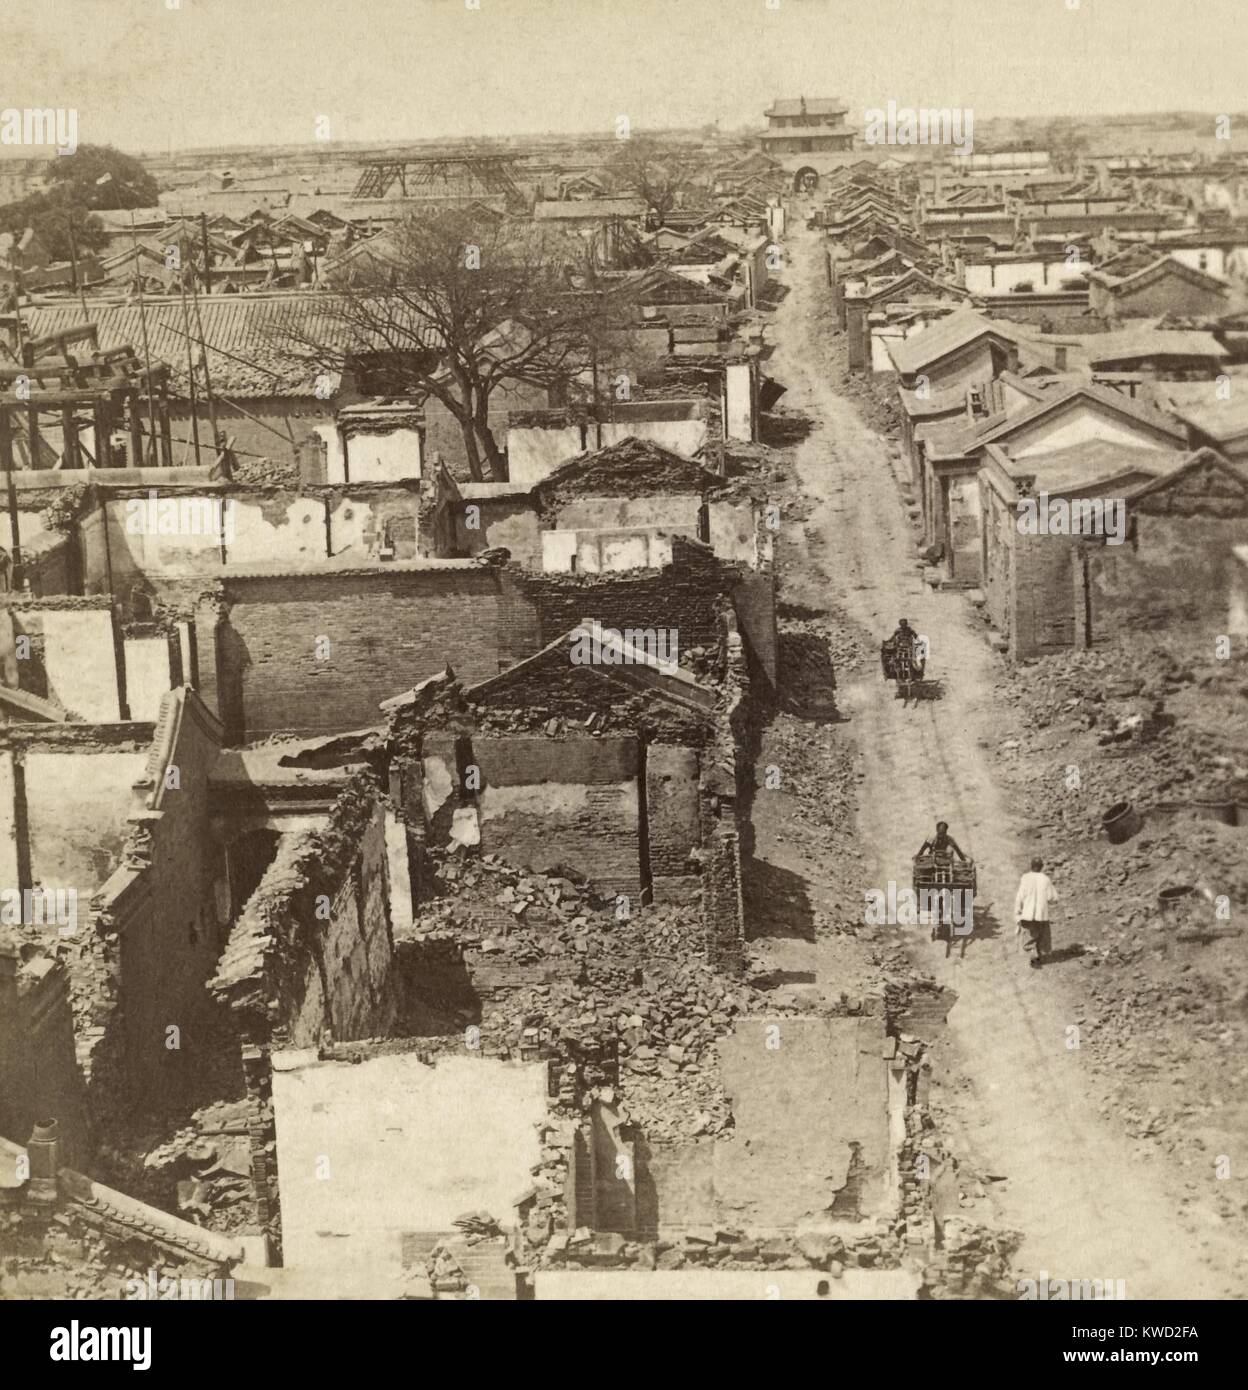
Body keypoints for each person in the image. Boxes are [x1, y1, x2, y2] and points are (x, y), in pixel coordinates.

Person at [1015, 856, 1059, 968]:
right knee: (1040, 935)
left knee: (1030, 934)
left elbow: (1020, 896)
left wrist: (1018, 911)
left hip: (1027, 913)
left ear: (1031, 866)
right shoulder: (1045, 879)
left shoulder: (1025, 878)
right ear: (1041, 867)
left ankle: (1033, 954)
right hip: (1041, 914)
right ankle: (1037, 955)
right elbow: (1052, 897)